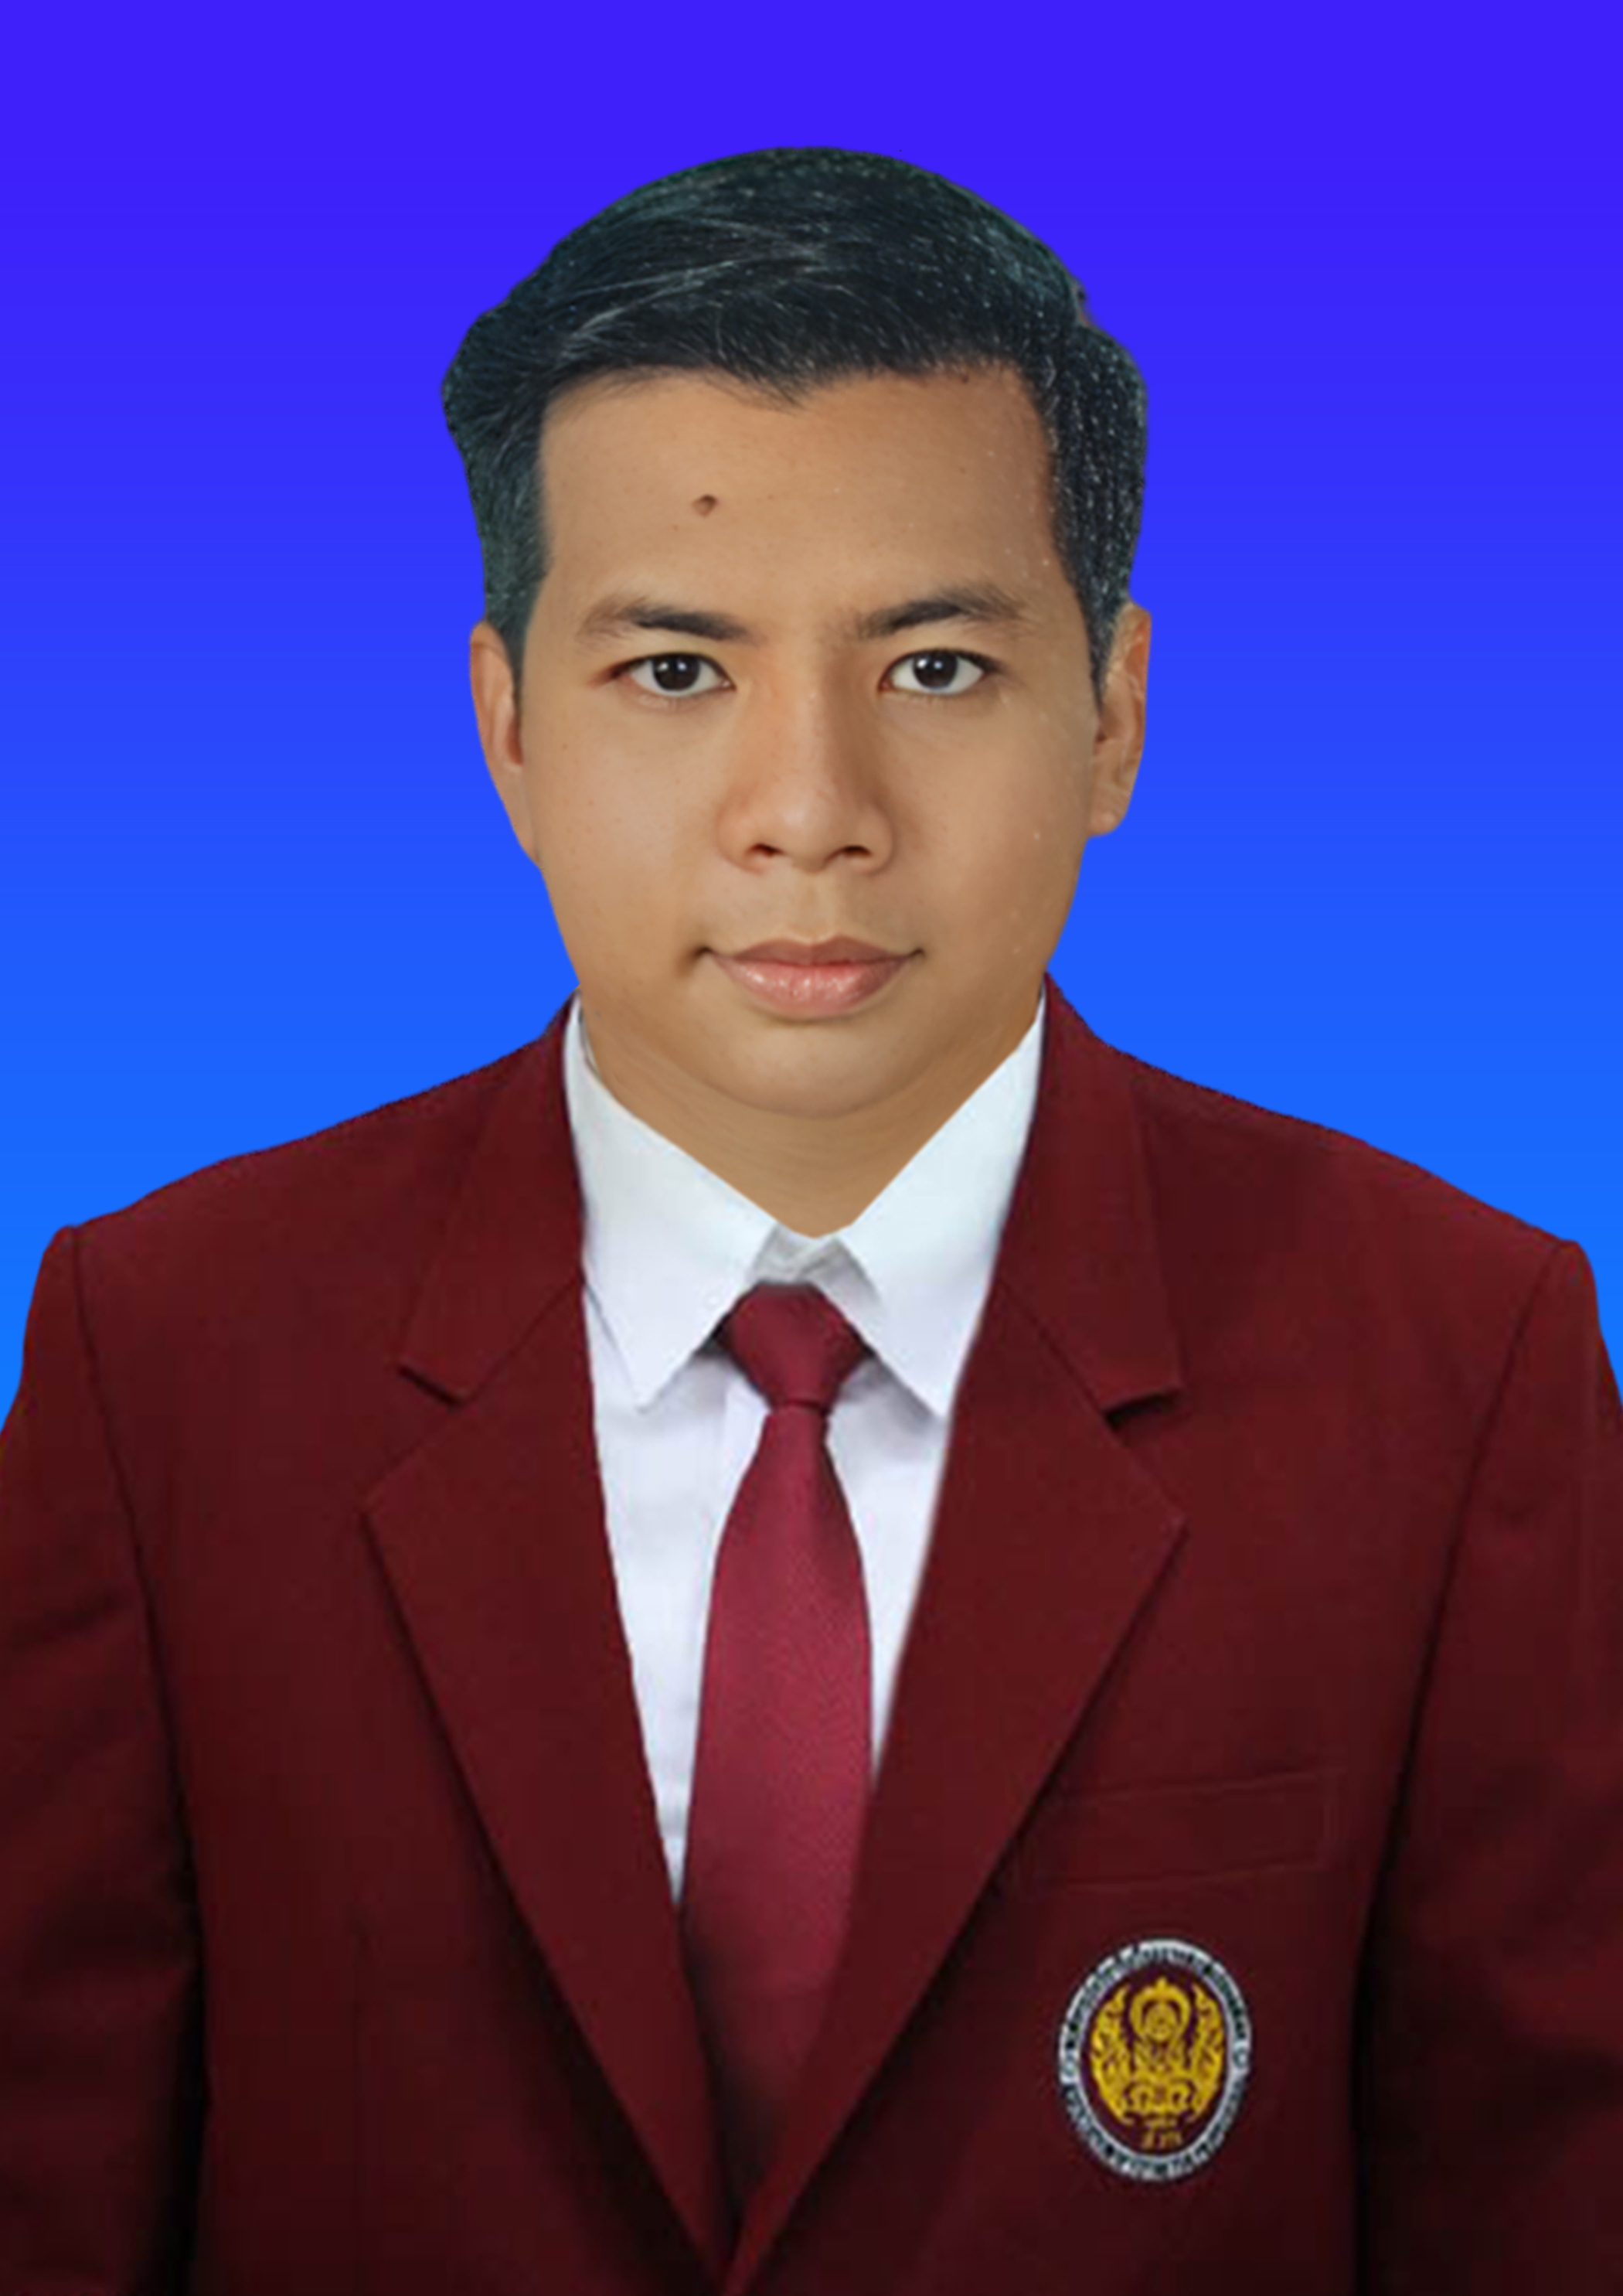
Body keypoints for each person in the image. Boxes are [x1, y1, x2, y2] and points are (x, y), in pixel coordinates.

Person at [1, 145, 1619, 2296]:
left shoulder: (1454, 1354)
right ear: (504, 724)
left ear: (1114, 714)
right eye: (677, 672)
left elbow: (1540, 2197)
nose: (810, 814)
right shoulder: (168, 1351)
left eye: (933, 667)